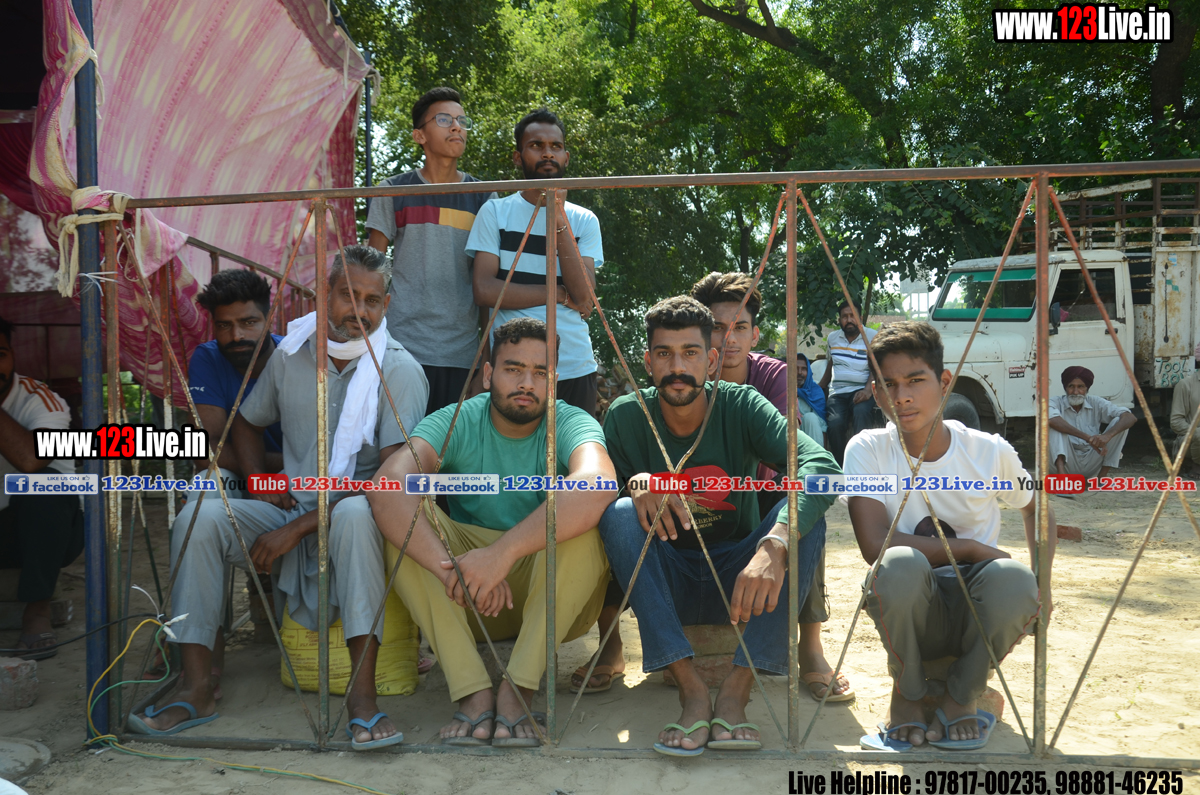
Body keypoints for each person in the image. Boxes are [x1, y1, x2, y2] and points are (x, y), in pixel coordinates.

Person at [131, 246, 428, 749]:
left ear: (387, 305)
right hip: (293, 505)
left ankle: (362, 700)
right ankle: (196, 687)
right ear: (324, 295)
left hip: (363, 517)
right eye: (347, 295)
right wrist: (259, 486)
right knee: (198, 516)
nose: (359, 310)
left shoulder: (399, 369)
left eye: (372, 300)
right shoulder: (293, 354)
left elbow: (388, 482)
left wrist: (299, 527)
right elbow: (246, 422)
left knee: (353, 514)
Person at [599, 296, 839, 755]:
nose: (677, 367)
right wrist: (634, 483)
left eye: (690, 353)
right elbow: (592, 496)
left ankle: (736, 691)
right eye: (664, 354)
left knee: (801, 518)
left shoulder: (741, 404)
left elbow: (821, 466)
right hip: (668, 579)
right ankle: (690, 690)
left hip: (740, 576)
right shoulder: (627, 416)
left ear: (711, 361)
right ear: (647, 362)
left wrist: (775, 543)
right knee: (620, 514)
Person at [368, 318, 615, 747]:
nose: (526, 383)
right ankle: (472, 691)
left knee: (585, 526)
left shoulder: (570, 421)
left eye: (540, 372)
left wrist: (502, 553)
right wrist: (456, 572)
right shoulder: (459, 419)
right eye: (513, 369)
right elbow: (388, 485)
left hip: (552, 598)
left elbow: (598, 483)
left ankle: (519, 689)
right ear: (487, 374)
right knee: (404, 520)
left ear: (554, 380)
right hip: (466, 593)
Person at [845, 321, 1052, 751]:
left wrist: (1043, 586)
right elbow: (874, 544)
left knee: (1017, 581)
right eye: (888, 384)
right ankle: (907, 695)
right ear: (875, 393)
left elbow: (1037, 508)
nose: (902, 396)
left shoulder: (988, 451)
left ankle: (961, 697)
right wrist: (972, 548)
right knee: (897, 564)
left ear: (943, 382)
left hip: (975, 604)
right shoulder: (867, 449)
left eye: (915, 381)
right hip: (912, 605)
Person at [689, 271, 849, 703]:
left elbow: (780, 454)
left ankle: (810, 643)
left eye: (740, 328)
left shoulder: (774, 375)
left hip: (761, 494)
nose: (729, 339)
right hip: (703, 502)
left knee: (799, 504)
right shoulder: (686, 373)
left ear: (755, 334)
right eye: (717, 328)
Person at [366, 87, 498, 415]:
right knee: (402, 441)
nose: (456, 127)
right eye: (443, 120)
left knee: (452, 445)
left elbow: (488, 286)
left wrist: (486, 359)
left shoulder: (485, 197)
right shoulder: (393, 190)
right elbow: (371, 275)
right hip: (400, 347)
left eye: (462, 121)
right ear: (419, 135)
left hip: (461, 352)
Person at [466, 108, 602, 415]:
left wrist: (558, 216)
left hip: (573, 366)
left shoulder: (584, 220)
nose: (547, 153)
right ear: (518, 157)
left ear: (566, 157)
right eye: (536, 145)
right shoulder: (495, 212)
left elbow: (584, 297)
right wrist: (557, 293)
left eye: (556, 146)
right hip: (513, 369)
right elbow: (484, 290)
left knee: (572, 447)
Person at [0, 316, 82, 660]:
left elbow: (32, 459)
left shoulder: (41, 400)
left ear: (13, 355)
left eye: (0, 354)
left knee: (45, 485)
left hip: (41, 534)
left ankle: (37, 613)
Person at [190, 269, 284, 493]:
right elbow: (203, 450)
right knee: (209, 482)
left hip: (305, 481)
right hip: (245, 476)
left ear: (269, 319)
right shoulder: (208, 358)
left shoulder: (297, 355)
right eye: (224, 325)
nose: (236, 335)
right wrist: (268, 471)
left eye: (249, 322)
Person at [1048, 366, 1136, 481]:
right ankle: (1062, 480)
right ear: (1065, 387)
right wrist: (1088, 438)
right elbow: (1052, 420)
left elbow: (1130, 417)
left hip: (1091, 461)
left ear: (1087, 388)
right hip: (1062, 462)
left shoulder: (1096, 402)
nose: (1075, 392)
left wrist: (1107, 436)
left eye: (1080, 387)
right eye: (1071, 386)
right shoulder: (1055, 402)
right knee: (1054, 424)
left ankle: (1101, 479)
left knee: (1119, 422)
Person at [820, 300, 878, 465]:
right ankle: (841, 467)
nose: (849, 320)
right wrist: (820, 386)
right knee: (835, 423)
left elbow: (876, 366)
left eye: (853, 316)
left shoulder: (872, 336)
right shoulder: (833, 338)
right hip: (838, 392)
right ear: (839, 320)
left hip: (862, 389)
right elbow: (832, 363)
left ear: (860, 318)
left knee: (861, 413)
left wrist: (868, 390)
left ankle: (862, 463)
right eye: (845, 316)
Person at [1169, 344, 1200, 479]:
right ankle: (1196, 465)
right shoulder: (1185, 384)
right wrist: (1197, 432)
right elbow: (1176, 422)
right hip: (1190, 439)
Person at [795, 352, 828, 446]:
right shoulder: (782, 389)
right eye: (795, 368)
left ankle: (817, 455)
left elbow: (823, 428)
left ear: (809, 371)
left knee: (810, 418)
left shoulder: (815, 391)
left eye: (803, 369)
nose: (800, 372)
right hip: (789, 437)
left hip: (810, 438)